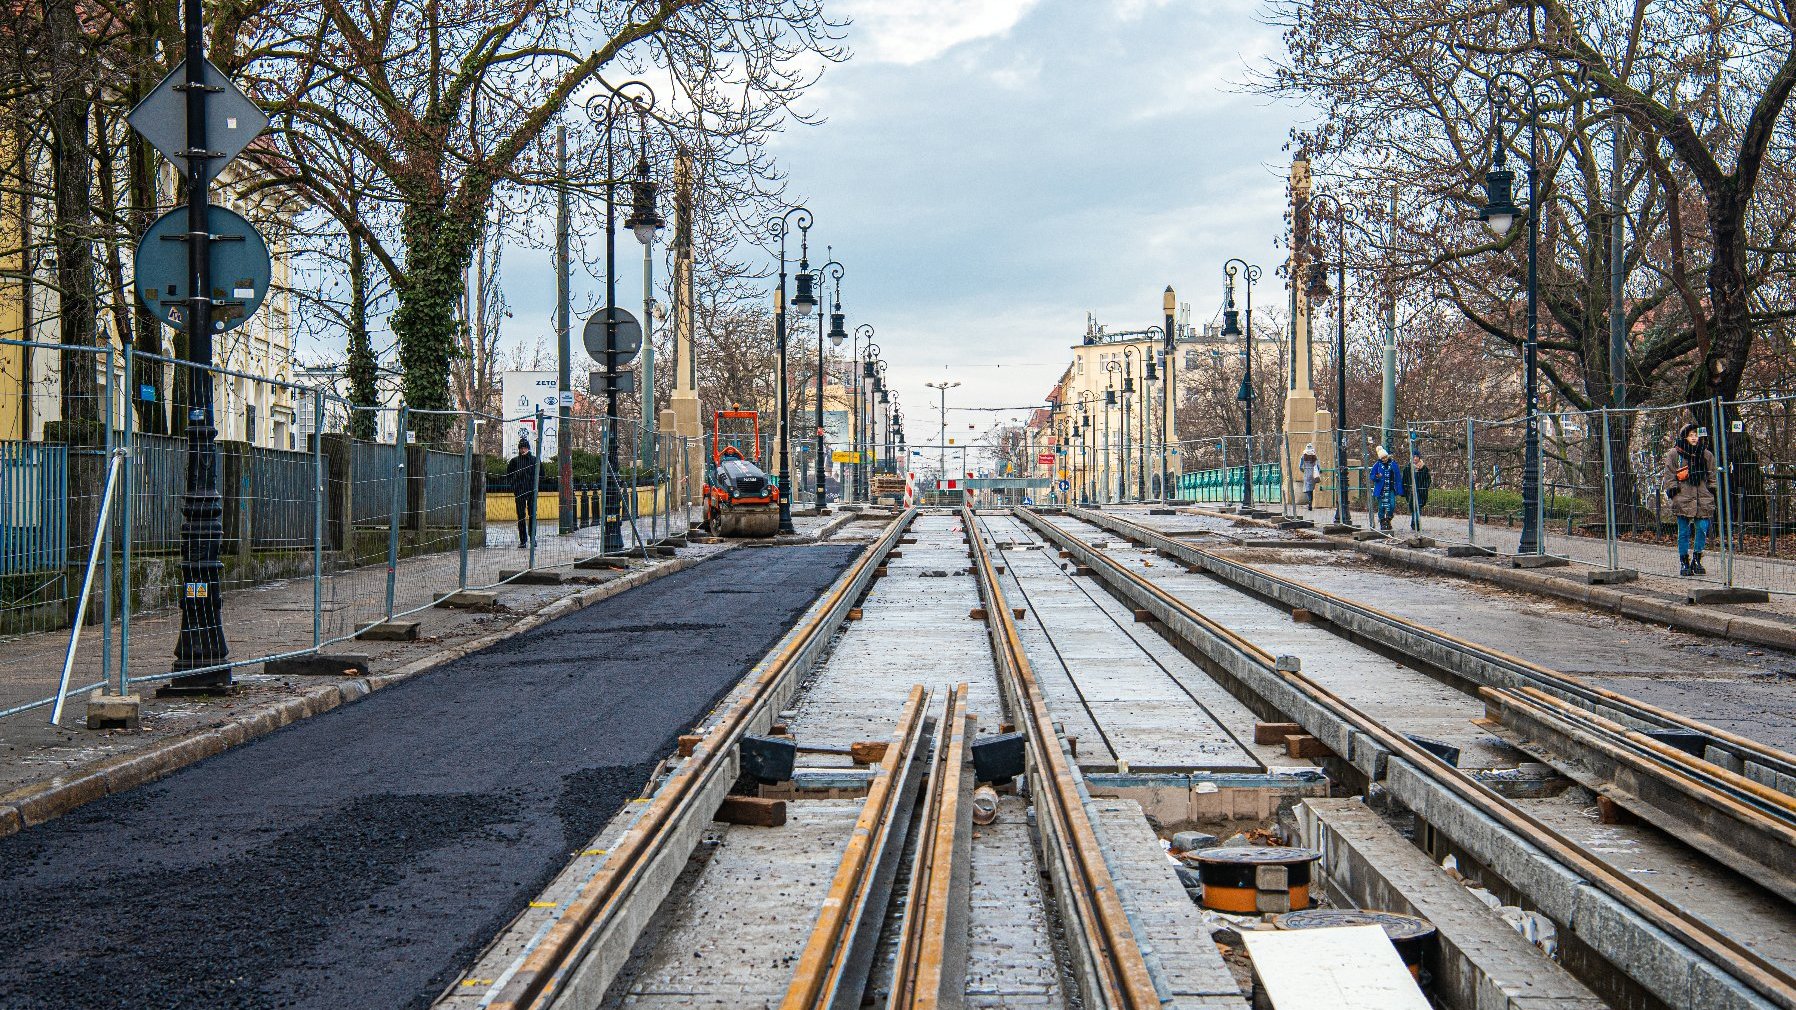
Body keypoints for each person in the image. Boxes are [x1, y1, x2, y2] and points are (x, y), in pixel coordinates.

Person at [1663, 422, 1718, 576]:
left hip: (1702, 497)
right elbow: (1669, 474)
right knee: (1684, 532)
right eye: (1691, 435)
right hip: (1683, 496)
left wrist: (1712, 489)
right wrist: (1673, 490)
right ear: (1685, 436)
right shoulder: (1675, 454)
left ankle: (1697, 558)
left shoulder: (1706, 455)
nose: (1694, 438)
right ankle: (1684, 560)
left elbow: (1712, 475)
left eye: (1696, 435)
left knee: (1702, 528)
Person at [506, 436, 539, 549]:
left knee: (532, 516)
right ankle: (523, 540)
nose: (523, 450)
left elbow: (541, 475)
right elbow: (508, 475)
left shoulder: (534, 460)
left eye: (525, 448)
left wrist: (535, 486)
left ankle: (533, 538)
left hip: (532, 492)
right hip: (519, 492)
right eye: (521, 448)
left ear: (528, 448)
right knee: (521, 517)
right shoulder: (514, 461)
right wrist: (514, 487)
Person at [1369, 444, 1403, 532]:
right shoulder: (1377, 465)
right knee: (1381, 507)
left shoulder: (1393, 464)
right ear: (1380, 458)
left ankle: (1388, 519)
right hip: (1381, 490)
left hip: (1391, 488)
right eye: (1382, 458)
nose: (1384, 459)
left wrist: (1400, 489)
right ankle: (1382, 522)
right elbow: (1372, 476)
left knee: (1391, 505)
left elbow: (1398, 477)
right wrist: (1377, 476)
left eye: (1385, 457)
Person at [1403, 451, 1432, 530]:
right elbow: (1404, 480)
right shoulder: (1408, 468)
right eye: (1414, 456)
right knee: (1413, 507)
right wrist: (1405, 489)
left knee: (1418, 507)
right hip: (1411, 491)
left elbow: (1428, 479)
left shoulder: (1424, 468)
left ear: (1419, 458)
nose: (1415, 458)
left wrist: (1424, 487)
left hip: (1420, 491)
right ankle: (1415, 522)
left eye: (1417, 456)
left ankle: (1415, 522)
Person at [1299, 443, 1321, 509]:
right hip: (1313, 473)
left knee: (1308, 489)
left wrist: (1304, 471)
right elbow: (1318, 466)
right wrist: (1318, 471)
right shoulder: (1315, 457)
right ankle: (1310, 501)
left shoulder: (1303, 457)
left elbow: (1300, 467)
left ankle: (1309, 502)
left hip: (1307, 473)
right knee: (1311, 489)